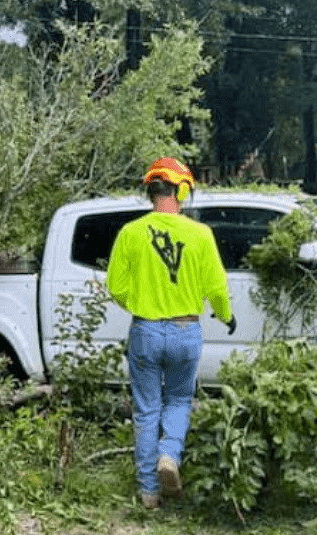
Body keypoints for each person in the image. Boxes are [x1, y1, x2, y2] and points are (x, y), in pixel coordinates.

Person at [106, 157, 235, 509]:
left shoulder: (130, 233)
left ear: (150, 191)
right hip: (185, 330)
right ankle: (169, 455)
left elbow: (115, 287)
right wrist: (226, 316)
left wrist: (143, 304)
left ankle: (149, 492)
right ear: (182, 190)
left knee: (146, 410)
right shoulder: (201, 234)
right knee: (178, 400)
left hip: (145, 331)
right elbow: (217, 288)